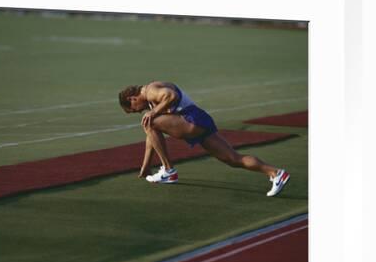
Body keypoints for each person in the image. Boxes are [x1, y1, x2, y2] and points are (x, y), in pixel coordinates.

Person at [118, 81, 290, 197]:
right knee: (233, 159)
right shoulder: (149, 100)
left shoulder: (149, 91)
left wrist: (154, 112)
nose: (138, 111)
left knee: (149, 121)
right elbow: (151, 137)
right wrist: (146, 166)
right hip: (201, 121)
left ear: (131, 98)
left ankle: (169, 171)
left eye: (134, 109)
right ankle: (276, 173)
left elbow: (171, 96)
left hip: (193, 120)